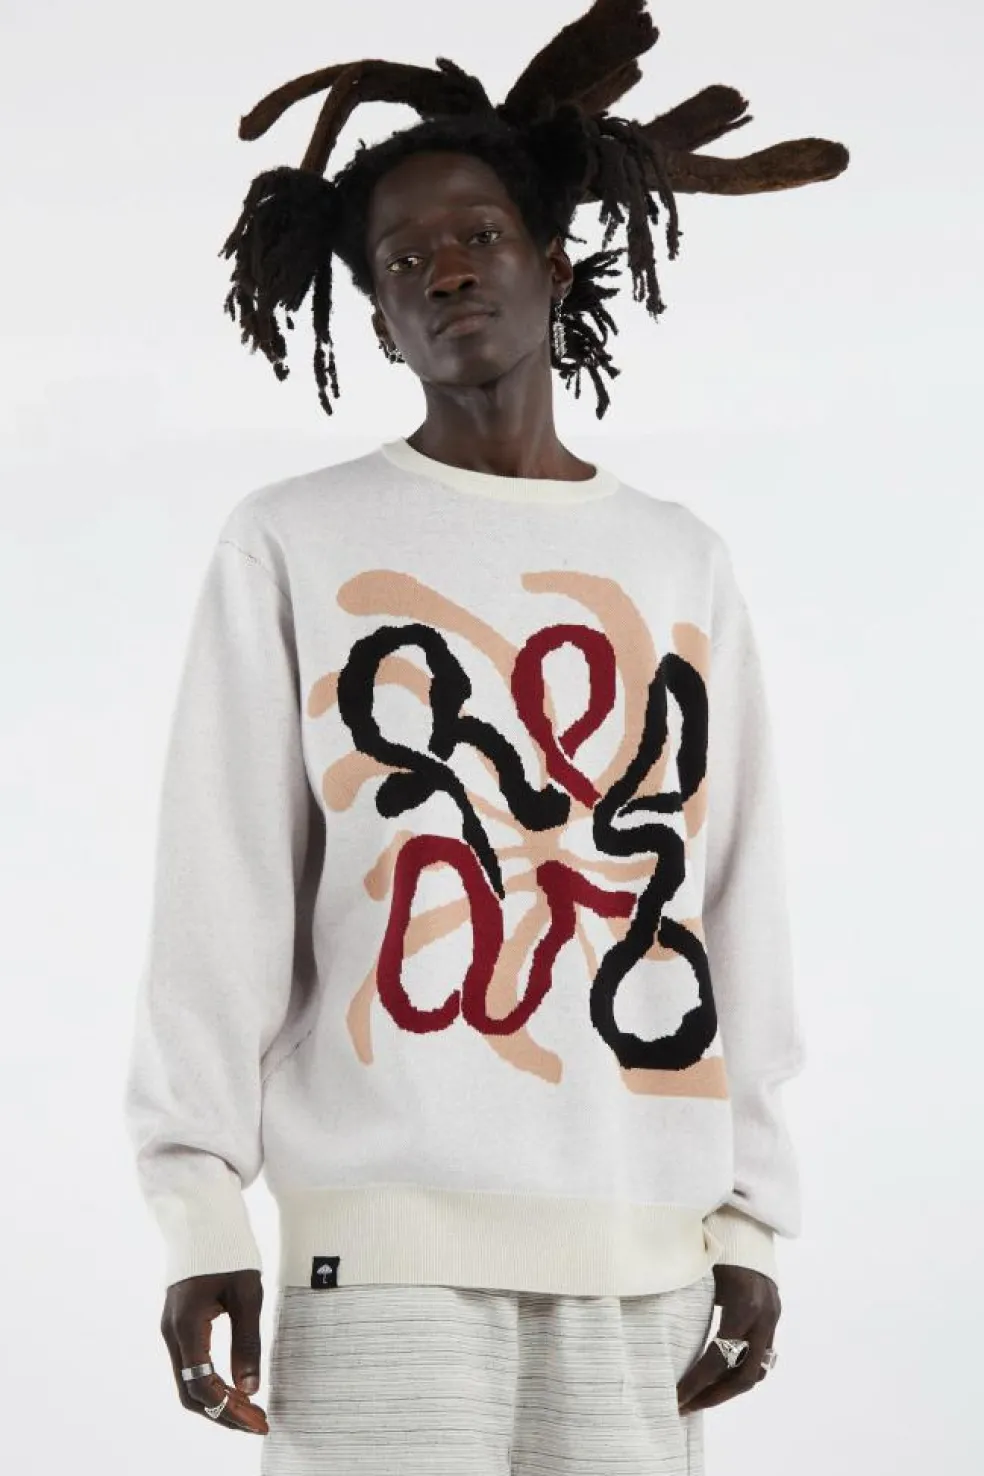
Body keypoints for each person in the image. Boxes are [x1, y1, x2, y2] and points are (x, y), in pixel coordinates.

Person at [122, 3, 849, 1470]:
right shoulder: (293, 541)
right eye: (402, 261)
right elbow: (221, 888)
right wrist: (200, 1211)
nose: (445, 270)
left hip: (647, 1261)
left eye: (477, 236)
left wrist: (752, 1216)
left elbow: (732, 889)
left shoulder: (678, 558)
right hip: (380, 1265)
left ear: (550, 264)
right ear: (376, 317)